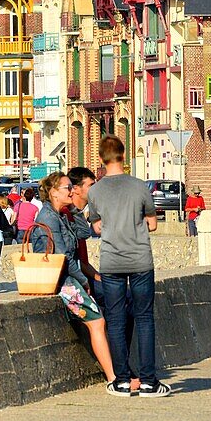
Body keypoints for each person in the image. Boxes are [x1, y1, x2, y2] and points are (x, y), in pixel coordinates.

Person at [87, 134, 170, 398]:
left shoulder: (95, 190)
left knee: (115, 319)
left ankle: (122, 381)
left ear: (101, 159)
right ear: (124, 156)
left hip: (111, 261)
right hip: (140, 259)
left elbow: (97, 226)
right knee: (144, 318)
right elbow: (153, 223)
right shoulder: (139, 186)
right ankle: (148, 381)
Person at [32, 172, 119, 386]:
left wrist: (73, 209)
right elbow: (63, 257)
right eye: (67, 188)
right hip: (61, 281)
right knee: (97, 321)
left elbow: (84, 233)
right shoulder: (48, 218)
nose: (72, 191)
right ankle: (113, 377)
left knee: (103, 316)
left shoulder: (60, 214)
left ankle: (117, 372)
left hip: (67, 277)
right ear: (53, 192)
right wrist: (85, 281)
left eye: (72, 187)